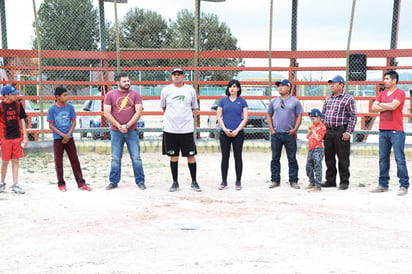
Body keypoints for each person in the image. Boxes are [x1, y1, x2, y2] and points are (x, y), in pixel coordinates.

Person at [160, 67, 201, 192]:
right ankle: (175, 182)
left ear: (184, 76)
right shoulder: (166, 90)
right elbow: (163, 107)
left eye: (179, 74)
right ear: (171, 76)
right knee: (174, 156)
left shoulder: (190, 90)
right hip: (171, 130)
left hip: (186, 130)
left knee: (191, 156)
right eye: (174, 74)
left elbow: (194, 106)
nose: (176, 76)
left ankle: (194, 182)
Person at [104, 72, 146, 190]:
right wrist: (119, 126)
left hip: (132, 131)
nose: (127, 83)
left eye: (128, 81)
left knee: (136, 157)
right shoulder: (110, 95)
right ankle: (113, 181)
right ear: (118, 83)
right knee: (116, 158)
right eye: (124, 81)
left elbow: (138, 112)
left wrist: (127, 126)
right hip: (116, 131)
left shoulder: (135, 94)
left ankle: (140, 181)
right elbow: (106, 112)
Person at [371, 70, 409, 196]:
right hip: (383, 130)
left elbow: (394, 106)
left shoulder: (400, 93)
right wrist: (386, 105)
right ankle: (383, 184)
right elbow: (374, 108)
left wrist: (381, 105)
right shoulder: (382, 93)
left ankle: (404, 185)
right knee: (383, 159)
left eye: (387, 79)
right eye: (384, 78)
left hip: (396, 131)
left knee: (400, 159)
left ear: (394, 80)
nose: (384, 81)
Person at [47, 87, 92, 192]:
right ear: (57, 97)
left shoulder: (70, 107)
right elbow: (51, 125)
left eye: (67, 95)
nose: (66, 97)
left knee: (74, 160)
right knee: (59, 161)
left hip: (69, 137)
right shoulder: (52, 109)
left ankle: (81, 182)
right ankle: (61, 183)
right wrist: (63, 135)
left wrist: (68, 135)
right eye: (64, 95)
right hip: (58, 138)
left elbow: (74, 122)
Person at [321, 75, 357, 190]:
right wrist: (322, 130)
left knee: (343, 158)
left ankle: (344, 181)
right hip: (328, 131)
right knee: (329, 157)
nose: (331, 85)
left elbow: (353, 117)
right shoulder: (328, 98)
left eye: (334, 83)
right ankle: (330, 180)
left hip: (341, 131)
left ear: (341, 85)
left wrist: (348, 132)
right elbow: (323, 114)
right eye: (330, 83)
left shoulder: (348, 99)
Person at [267, 79, 303, 189]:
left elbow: (299, 116)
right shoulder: (273, 102)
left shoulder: (295, 102)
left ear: (289, 88)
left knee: (292, 158)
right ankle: (275, 180)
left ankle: (293, 180)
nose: (280, 88)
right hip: (276, 134)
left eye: (282, 86)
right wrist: (272, 130)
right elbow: (269, 115)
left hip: (289, 134)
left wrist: (295, 129)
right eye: (279, 86)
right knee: (275, 158)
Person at [217, 79, 248, 190]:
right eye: (230, 86)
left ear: (238, 89)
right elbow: (219, 117)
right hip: (224, 133)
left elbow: (245, 118)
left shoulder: (242, 102)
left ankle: (238, 181)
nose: (232, 88)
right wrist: (225, 129)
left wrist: (237, 130)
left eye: (235, 86)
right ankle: (224, 181)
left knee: (238, 156)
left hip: (238, 133)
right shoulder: (222, 101)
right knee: (225, 157)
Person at [0, 84, 28, 194]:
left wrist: (25, 135)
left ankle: (15, 184)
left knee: (16, 160)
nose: (15, 95)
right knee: (5, 161)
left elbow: (22, 120)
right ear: (6, 95)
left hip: (16, 137)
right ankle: (2, 182)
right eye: (13, 94)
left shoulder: (17, 105)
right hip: (5, 138)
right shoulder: (1, 106)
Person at [305, 108, 326, 191]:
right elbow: (307, 136)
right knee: (308, 166)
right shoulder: (313, 126)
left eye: (313, 118)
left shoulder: (322, 127)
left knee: (317, 166)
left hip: (318, 148)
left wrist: (313, 130)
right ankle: (311, 182)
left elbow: (318, 138)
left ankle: (318, 185)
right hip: (311, 148)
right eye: (311, 119)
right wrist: (310, 130)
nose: (312, 120)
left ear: (319, 117)